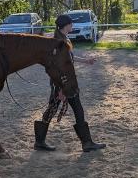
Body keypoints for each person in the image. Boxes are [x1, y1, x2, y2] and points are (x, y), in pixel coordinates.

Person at [34, 14, 106, 153]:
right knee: (69, 109)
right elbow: (56, 68)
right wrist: (61, 89)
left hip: (66, 83)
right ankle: (86, 143)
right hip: (63, 84)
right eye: (71, 24)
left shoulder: (64, 39)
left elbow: (69, 59)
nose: (72, 26)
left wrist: (86, 61)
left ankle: (41, 141)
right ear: (66, 25)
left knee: (56, 109)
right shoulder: (58, 42)